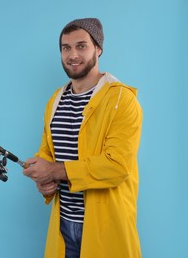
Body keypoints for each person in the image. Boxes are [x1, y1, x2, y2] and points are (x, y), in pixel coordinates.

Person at [22, 18, 143, 258]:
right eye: (66, 48)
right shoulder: (55, 100)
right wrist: (43, 180)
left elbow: (116, 166)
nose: (72, 55)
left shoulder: (123, 100)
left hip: (104, 228)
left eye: (81, 46)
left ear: (98, 49)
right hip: (63, 226)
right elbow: (47, 152)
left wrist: (54, 171)